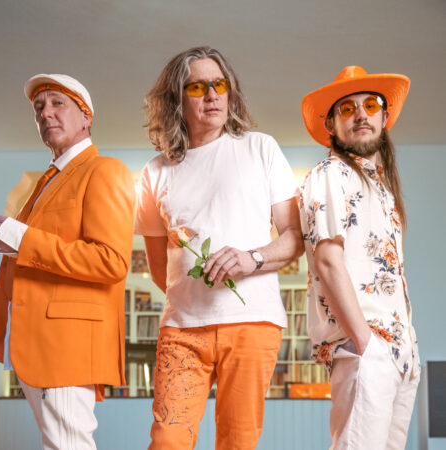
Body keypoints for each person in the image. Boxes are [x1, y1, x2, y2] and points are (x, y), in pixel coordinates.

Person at [135, 46, 304, 450]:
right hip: (182, 330)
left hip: (253, 324)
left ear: (230, 92)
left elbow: (294, 237)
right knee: (168, 441)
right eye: (197, 87)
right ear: (177, 98)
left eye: (219, 84)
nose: (212, 95)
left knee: (237, 443)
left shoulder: (260, 148)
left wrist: (252, 259)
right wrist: (192, 298)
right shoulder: (155, 171)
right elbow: (159, 270)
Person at [0, 74, 135, 449]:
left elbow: (111, 260)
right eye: (39, 107)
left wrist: (22, 238)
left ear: (86, 117)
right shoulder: (48, 180)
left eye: (57, 103)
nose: (45, 113)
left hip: (66, 343)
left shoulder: (105, 170)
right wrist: (11, 245)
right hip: (33, 340)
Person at [300, 66, 420, 449]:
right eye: (348, 109)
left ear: (384, 117)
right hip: (367, 348)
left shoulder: (383, 189)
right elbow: (327, 261)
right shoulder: (329, 174)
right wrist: (364, 342)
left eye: (370, 105)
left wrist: (405, 349)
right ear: (331, 125)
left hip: (401, 353)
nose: (361, 115)